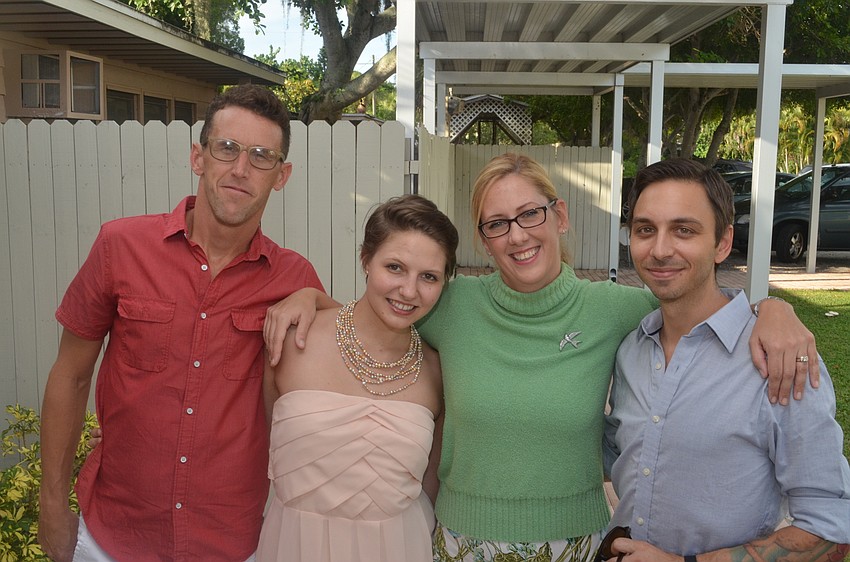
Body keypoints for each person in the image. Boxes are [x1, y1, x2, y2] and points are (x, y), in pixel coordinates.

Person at [263, 153, 818, 561]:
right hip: (460, 542)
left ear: (561, 216)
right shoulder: (450, 304)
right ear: (483, 239)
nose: (517, 235)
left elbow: (697, 299)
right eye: (497, 224)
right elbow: (383, 307)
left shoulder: (614, 308)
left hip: (572, 543)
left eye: (530, 214)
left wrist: (771, 309)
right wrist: (310, 297)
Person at [37, 84, 325, 562]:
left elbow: (348, 366)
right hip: (113, 536)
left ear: (281, 175)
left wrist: (319, 299)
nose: (241, 169)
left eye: (261, 156)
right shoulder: (120, 247)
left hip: (231, 543)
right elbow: (71, 375)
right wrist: (51, 504)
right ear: (198, 157)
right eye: (227, 148)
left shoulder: (295, 279)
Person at [602, 158, 850, 561]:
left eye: (684, 230)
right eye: (646, 230)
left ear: (722, 242)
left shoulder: (779, 360)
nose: (660, 250)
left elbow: (831, 529)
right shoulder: (631, 349)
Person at [256, 194, 458, 562]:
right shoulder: (292, 341)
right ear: (366, 259)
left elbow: (432, 483)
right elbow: (261, 441)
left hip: (400, 548)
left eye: (428, 276)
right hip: (295, 545)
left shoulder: (438, 371)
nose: (409, 290)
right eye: (394, 267)